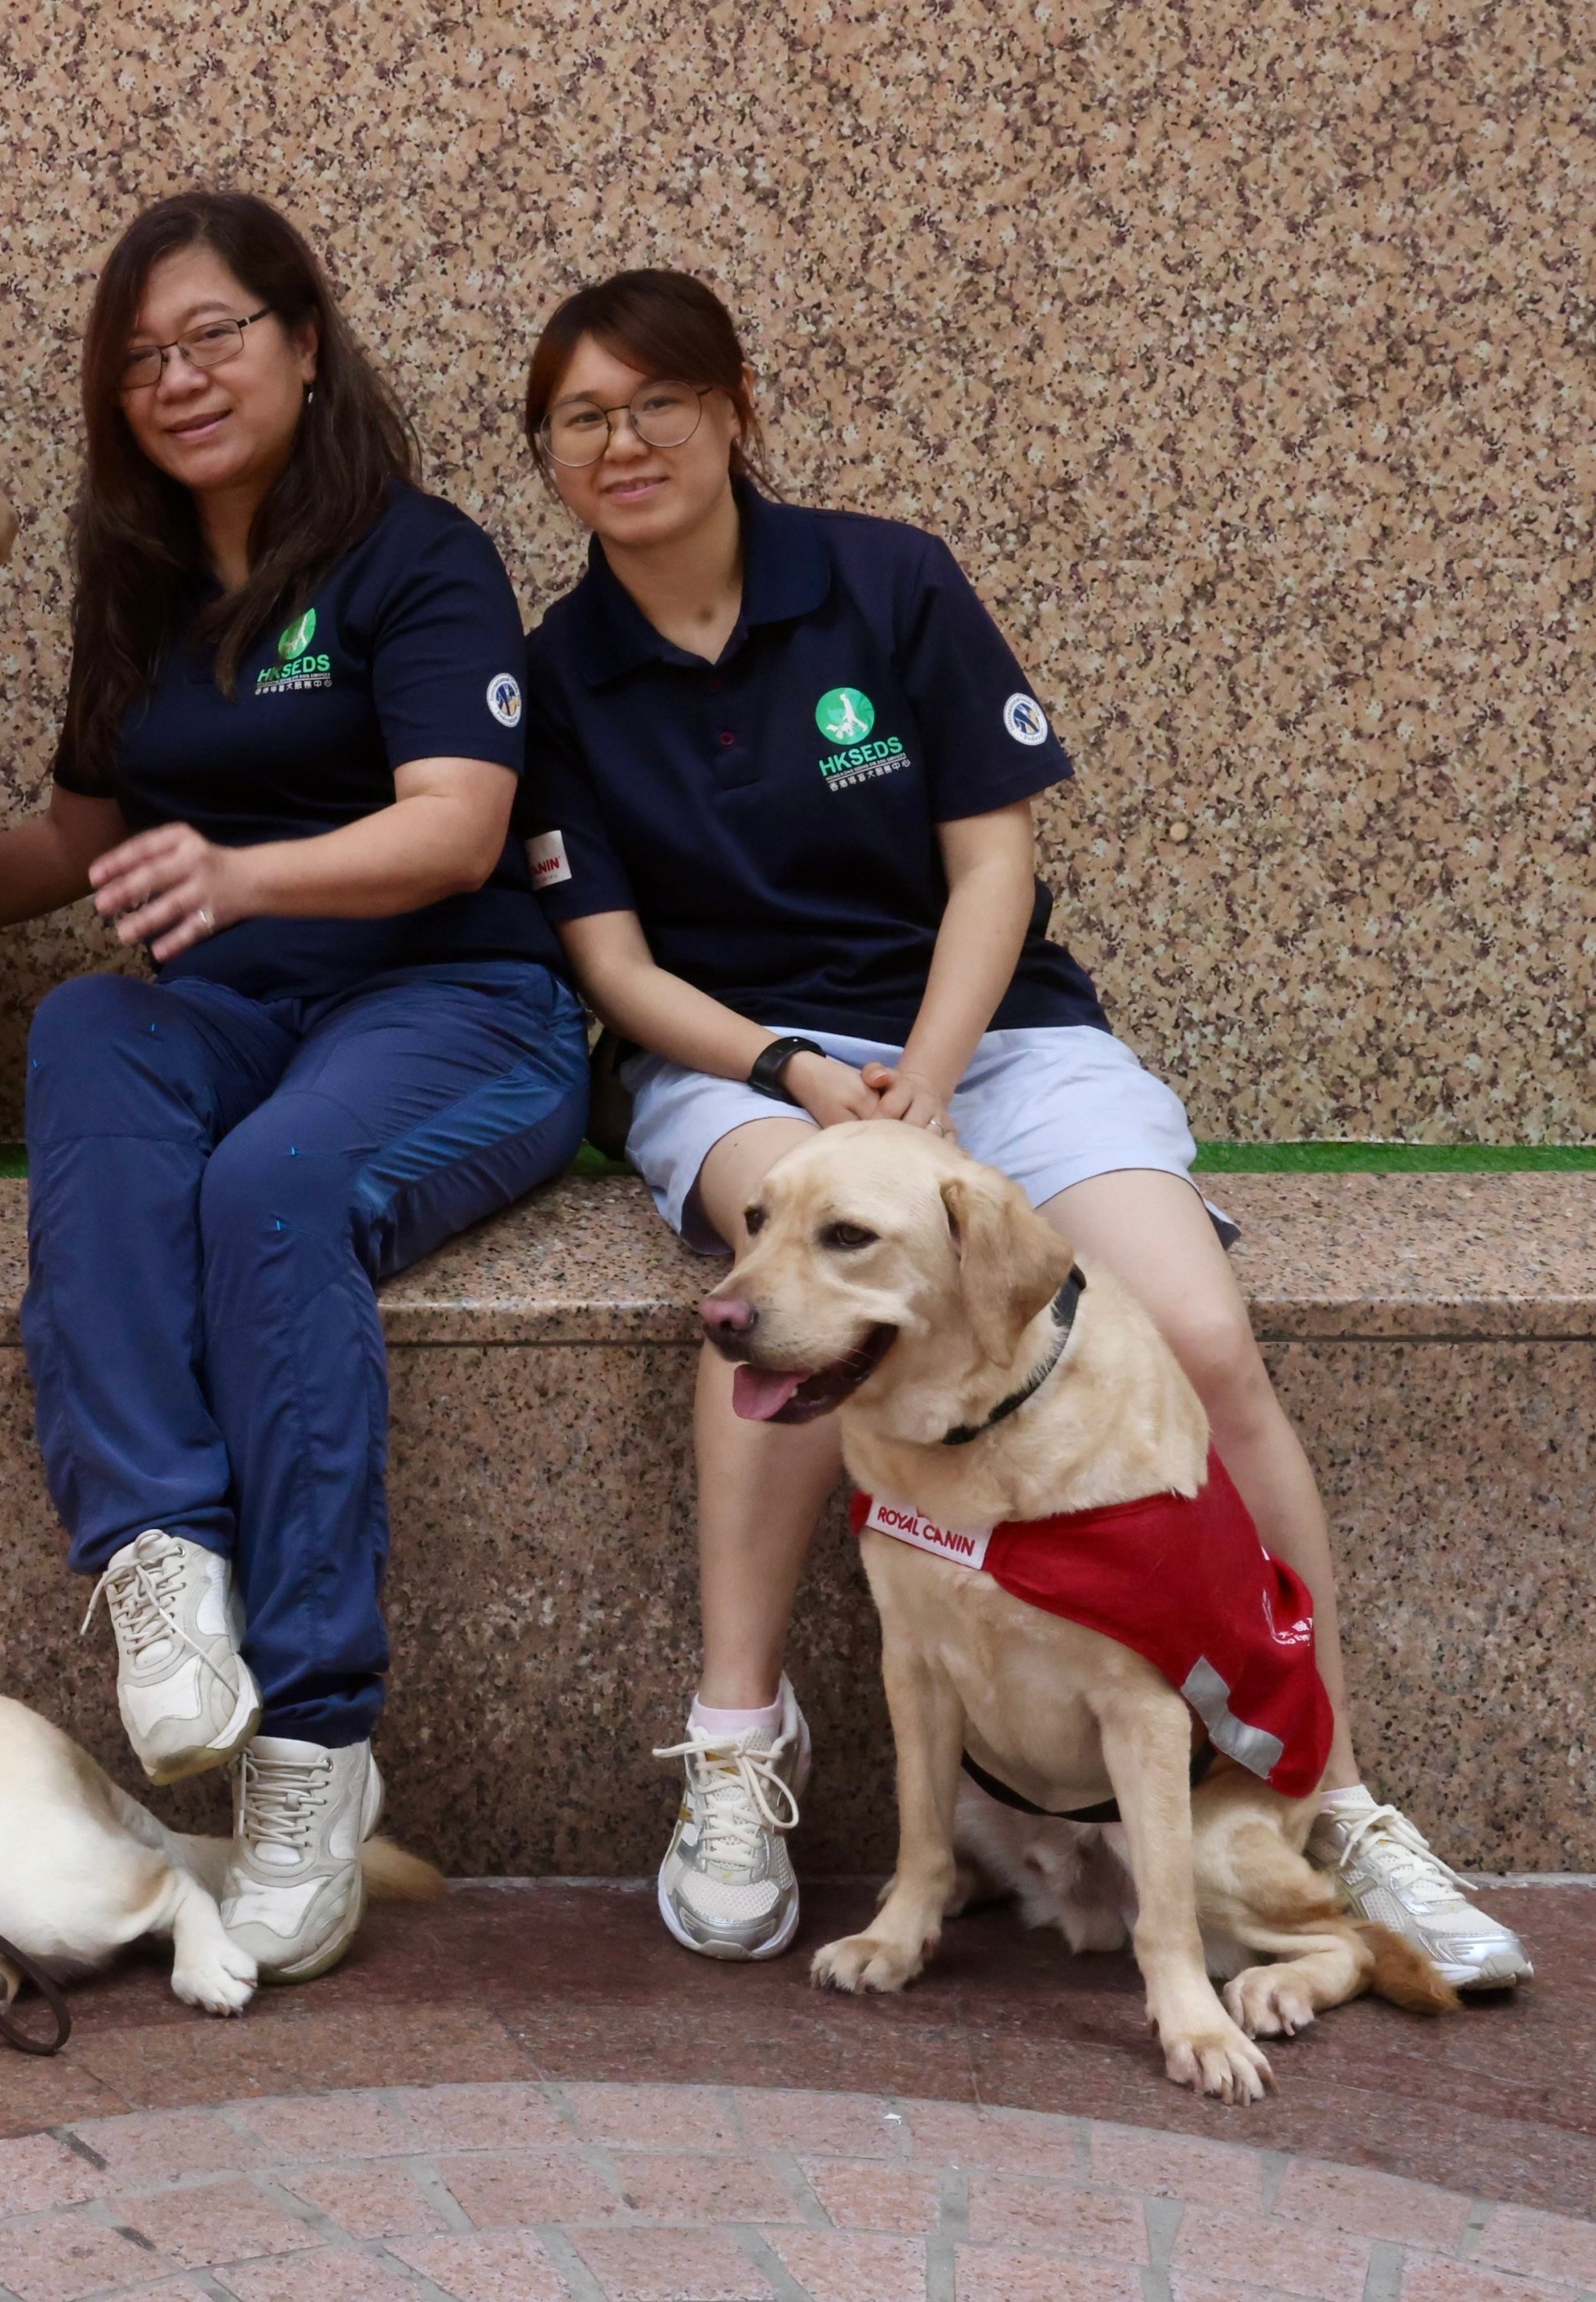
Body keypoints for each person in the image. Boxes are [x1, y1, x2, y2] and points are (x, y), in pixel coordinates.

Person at [511, 267, 1532, 1991]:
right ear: (545, 455)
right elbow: (611, 963)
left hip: (991, 1039)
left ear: (734, 405)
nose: (623, 443)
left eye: (655, 403)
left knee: (1198, 1334)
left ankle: (1328, 1793)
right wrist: (793, 1076)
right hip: (749, 1070)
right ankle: (737, 1744)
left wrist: (924, 1066)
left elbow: (994, 861)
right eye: (579, 420)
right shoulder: (557, 671)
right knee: (776, 1317)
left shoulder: (887, 579)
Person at [0, 192, 586, 1984]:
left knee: (270, 1190)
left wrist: (236, 876)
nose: (178, 376)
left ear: (307, 343)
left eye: (214, 333)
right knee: (83, 1029)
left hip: (453, 1004)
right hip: (230, 1009)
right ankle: (158, 1552)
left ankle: (309, 1738)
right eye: (140, 355)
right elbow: (76, 835)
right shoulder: (137, 579)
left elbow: (455, 822)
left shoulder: (417, 554)